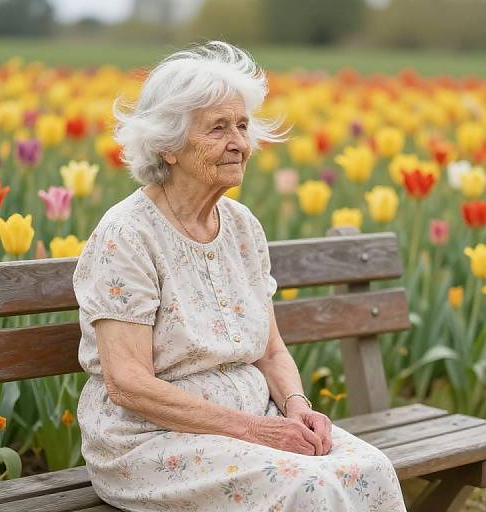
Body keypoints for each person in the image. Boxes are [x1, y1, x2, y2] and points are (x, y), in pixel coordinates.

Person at [73, 41, 406, 512]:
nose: (240, 143)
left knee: (369, 470)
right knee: (309, 487)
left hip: (258, 422)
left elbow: (270, 350)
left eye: (243, 126)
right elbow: (128, 383)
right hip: (150, 442)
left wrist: (296, 406)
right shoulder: (126, 236)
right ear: (168, 146)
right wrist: (256, 430)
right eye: (218, 129)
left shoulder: (243, 227)